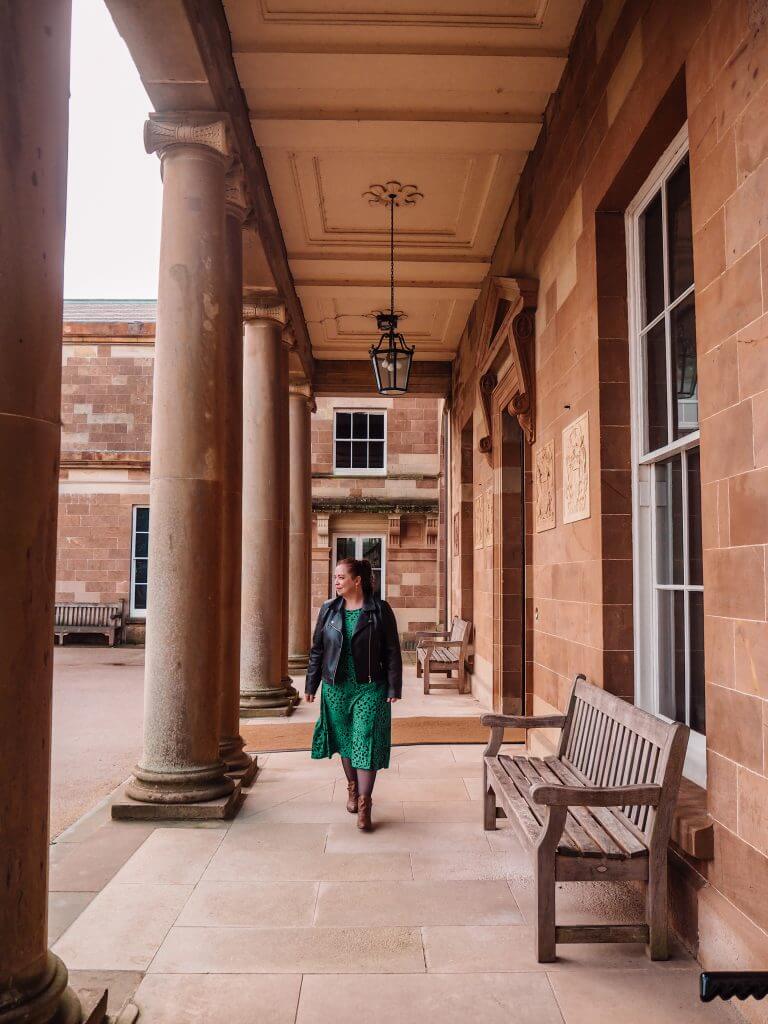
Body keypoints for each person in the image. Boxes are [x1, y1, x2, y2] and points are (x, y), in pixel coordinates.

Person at [306, 557, 402, 831]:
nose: (336, 582)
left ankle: (365, 803)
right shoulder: (328, 609)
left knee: (366, 740)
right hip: (336, 687)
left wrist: (394, 686)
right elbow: (318, 649)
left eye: (341, 577)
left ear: (357, 580)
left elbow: (392, 651)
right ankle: (352, 788)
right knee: (346, 740)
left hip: (371, 687)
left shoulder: (380, 610)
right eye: (336, 577)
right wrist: (311, 685)